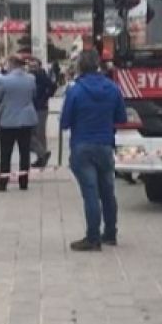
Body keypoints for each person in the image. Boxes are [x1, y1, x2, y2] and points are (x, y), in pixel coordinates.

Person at [60, 49, 126, 251]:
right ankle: (111, 233)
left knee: (90, 193)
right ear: (98, 65)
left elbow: (64, 122)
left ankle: (93, 237)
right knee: (108, 192)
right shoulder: (113, 88)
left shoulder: (75, 91)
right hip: (105, 145)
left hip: (82, 146)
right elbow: (121, 118)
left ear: (80, 66)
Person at [0, 55, 38, 192]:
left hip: (8, 120)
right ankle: (23, 181)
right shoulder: (31, 79)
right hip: (26, 119)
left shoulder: (4, 81)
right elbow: (33, 95)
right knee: (25, 152)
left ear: (11, 64)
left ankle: (3, 182)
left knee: (6, 153)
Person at [28, 57, 55, 168]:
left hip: (40, 108)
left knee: (39, 133)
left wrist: (44, 98)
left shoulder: (43, 76)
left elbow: (52, 87)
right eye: (30, 66)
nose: (32, 68)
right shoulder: (29, 77)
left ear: (39, 66)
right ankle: (42, 154)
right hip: (31, 107)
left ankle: (41, 156)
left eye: (34, 66)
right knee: (31, 133)